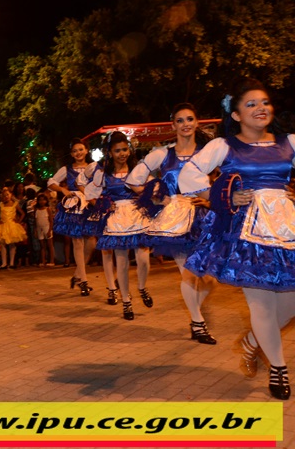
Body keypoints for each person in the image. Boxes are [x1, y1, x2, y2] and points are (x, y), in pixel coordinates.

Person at [179, 78, 295, 400]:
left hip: (287, 228)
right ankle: (279, 368)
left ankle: (252, 342)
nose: (261, 108)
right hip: (246, 232)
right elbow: (188, 175)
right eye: (251, 104)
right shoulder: (224, 146)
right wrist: (223, 196)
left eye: (265, 102)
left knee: (289, 305)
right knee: (262, 303)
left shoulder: (289, 142)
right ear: (236, 115)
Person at [127, 103, 216, 344]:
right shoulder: (162, 154)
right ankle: (197, 323)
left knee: (209, 279)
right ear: (173, 125)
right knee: (188, 273)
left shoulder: (208, 153)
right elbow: (133, 180)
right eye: (180, 120)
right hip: (175, 217)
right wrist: (157, 197)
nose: (186, 124)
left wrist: (210, 200)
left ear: (197, 122)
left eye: (190, 119)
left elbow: (224, 181)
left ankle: (195, 314)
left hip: (204, 218)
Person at [85, 131, 151, 319]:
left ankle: (142, 287)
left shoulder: (138, 169)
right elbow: (90, 195)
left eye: (124, 149)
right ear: (110, 153)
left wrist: (145, 198)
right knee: (121, 262)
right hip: (116, 220)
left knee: (143, 259)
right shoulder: (103, 174)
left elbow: (150, 189)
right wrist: (104, 205)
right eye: (117, 150)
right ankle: (126, 301)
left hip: (138, 215)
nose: (122, 154)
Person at [48, 139, 98, 295]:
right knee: (77, 242)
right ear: (71, 154)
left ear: (87, 150)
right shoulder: (66, 169)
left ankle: (77, 274)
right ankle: (83, 281)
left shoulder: (93, 167)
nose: (78, 153)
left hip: (90, 204)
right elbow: (51, 182)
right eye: (75, 151)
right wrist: (62, 190)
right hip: (74, 206)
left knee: (91, 242)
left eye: (81, 149)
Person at [0, 188, 28, 269]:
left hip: (11, 225)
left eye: (7, 195)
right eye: (4, 196)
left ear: (11, 195)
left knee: (12, 244)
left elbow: (22, 213)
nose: (6, 197)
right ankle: (4, 263)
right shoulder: (1, 204)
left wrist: (18, 221)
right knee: (2, 244)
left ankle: (11, 263)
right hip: (3, 225)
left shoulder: (14, 204)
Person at [33, 193, 55, 267]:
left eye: (43, 200)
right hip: (39, 228)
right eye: (40, 200)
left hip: (47, 227)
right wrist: (35, 230)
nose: (42, 202)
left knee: (50, 245)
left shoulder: (48, 209)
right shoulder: (36, 210)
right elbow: (35, 221)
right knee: (42, 246)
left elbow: (51, 220)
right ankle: (43, 261)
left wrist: (50, 230)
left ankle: (52, 261)